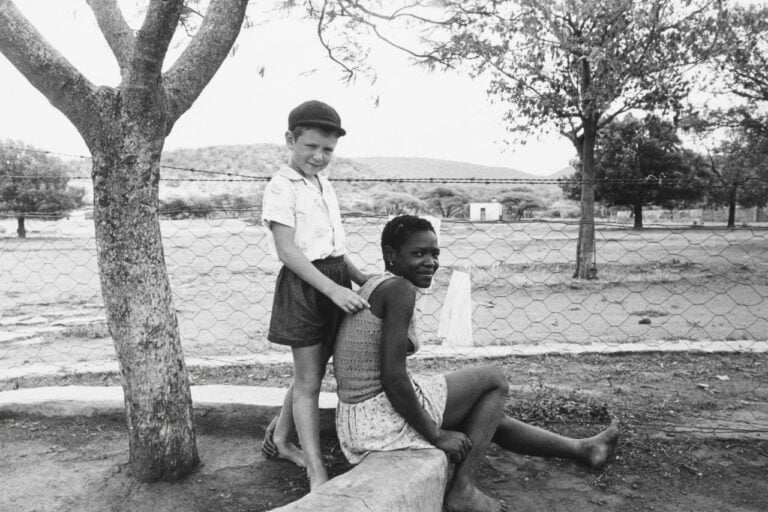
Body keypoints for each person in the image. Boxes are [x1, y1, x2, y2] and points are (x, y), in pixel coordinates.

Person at [333, 215, 619, 512]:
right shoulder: (399, 290)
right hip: (380, 418)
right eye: (419, 253)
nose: (430, 262)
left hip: (358, 419)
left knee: (486, 415)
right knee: (493, 380)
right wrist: (436, 434)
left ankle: (585, 449)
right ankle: (462, 490)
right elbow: (393, 377)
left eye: (435, 253)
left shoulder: (377, 284)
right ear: (391, 255)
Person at [260, 100, 371, 490]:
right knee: (309, 382)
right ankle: (315, 470)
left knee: (312, 371)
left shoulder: (323, 184)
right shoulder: (281, 186)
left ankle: (280, 437)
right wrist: (333, 289)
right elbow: (287, 250)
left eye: (328, 150)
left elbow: (334, 245)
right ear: (291, 140)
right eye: (310, 147)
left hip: (335, 280)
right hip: (308, 286)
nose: (319, 156)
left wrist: (359, 277)